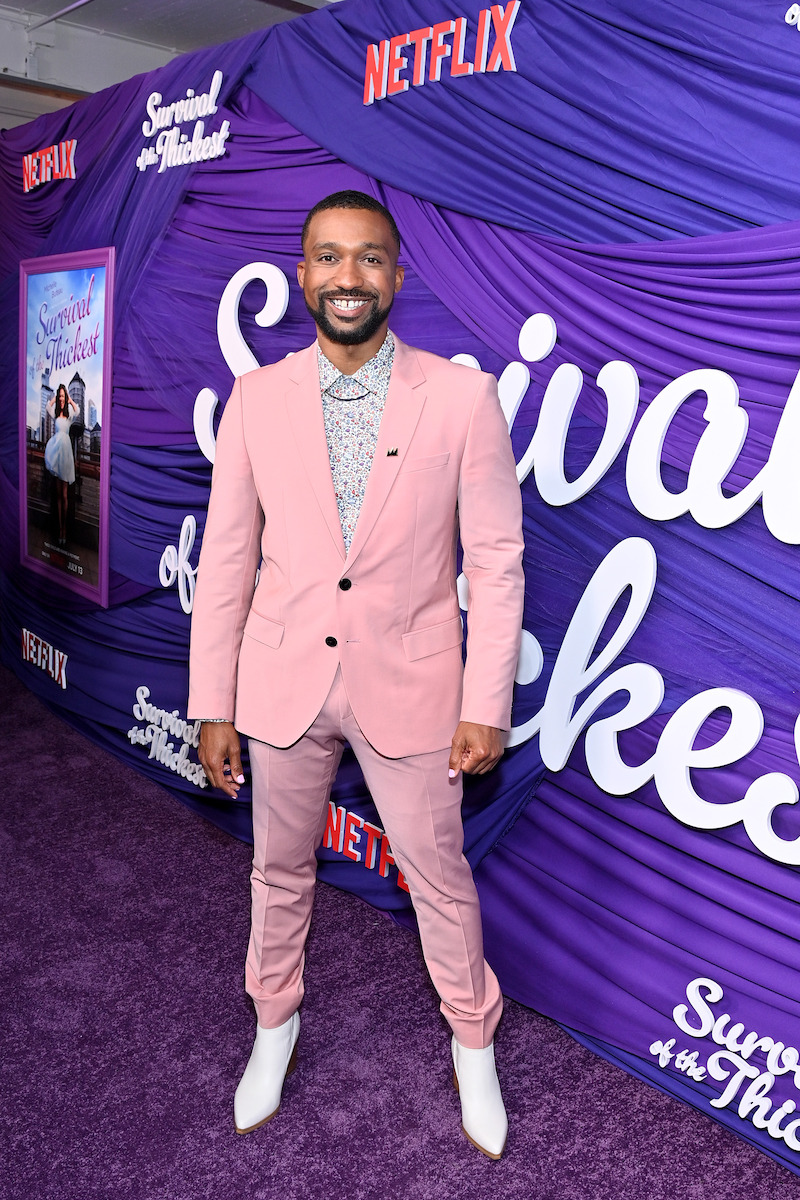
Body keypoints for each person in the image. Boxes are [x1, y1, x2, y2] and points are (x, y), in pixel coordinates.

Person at [188, 190, 525, 1159]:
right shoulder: (255, 400)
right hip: (280, 681)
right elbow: (226, 565)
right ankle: (273, 1026)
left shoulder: (460, 398)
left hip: (413, 684)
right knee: (276, 872)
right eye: (328, 258)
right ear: (303, 274)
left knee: (438, 879)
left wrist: (484, 702)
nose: (348, 277)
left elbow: (494, 561)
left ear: (396, 277)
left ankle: (472, 1043)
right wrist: (212, 702)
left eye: (368, 258)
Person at [44, 383, 79, 546]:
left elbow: (77, 410)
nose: (61, 398)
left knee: (65, 495)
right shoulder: (56, 414)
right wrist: (54, 398)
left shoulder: (70, 414)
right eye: (60, 396)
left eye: (63, 395)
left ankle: (65, 529)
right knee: (58, 495)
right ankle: (60, 530)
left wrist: (70, 399)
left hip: (66, 454)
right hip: (56, 453)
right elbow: (47, 406)